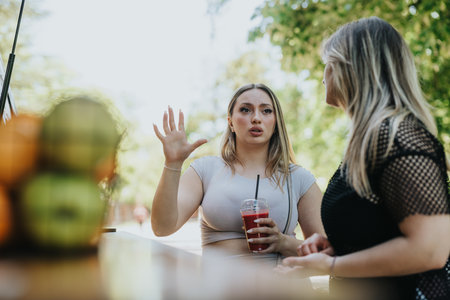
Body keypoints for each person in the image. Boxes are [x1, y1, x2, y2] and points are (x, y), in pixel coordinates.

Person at [275, 17, 450, 300]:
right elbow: (383, 230)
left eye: (328, 62)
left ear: (351, 68)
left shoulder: (400, 137)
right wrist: (340, 244)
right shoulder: (371, 140)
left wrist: (332, 264)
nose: (323, 74)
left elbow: (430, 249)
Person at [151, 83, 325, 266]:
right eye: (245, 110)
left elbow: (326, 253)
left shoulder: (299, 178)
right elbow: (162, 228)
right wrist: (173, 163)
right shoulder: (204, 170)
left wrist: (282, 242)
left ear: (276, 123)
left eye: (266, 111)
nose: (256, 118)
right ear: (230, 122)